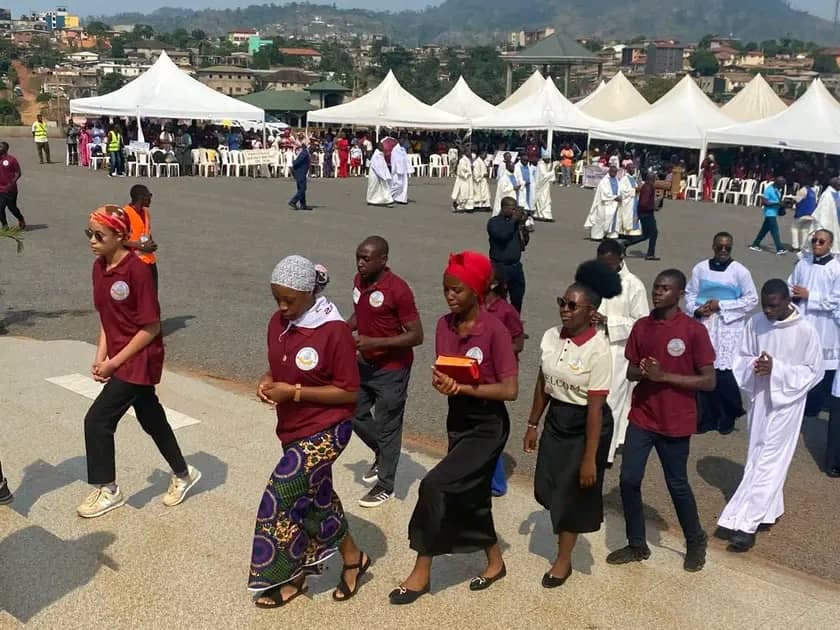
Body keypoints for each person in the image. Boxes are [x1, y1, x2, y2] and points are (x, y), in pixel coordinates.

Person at [389, 251, 517, 605]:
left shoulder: (495, 331)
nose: (450, 296)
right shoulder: (445, 325)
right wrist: (445, 384)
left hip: (488, 427)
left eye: (457, 290)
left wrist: (463, 388)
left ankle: (421, 569)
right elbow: (446, 370)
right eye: (446, 289)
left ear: (476, 291)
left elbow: (510, 390)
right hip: (457, 421)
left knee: (435, 485)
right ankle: (495, 561)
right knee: (472, 496)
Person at [250, 255, 371, 607]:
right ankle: (354, 557)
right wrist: (267, 380)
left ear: (310, 294)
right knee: (317, 499)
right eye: (277, 299)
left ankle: (290, 574)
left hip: (329, 428)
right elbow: (278, 367)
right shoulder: (278, 323)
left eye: (290, 300)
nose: (283, 307)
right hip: (292, 427)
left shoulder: (333, 331)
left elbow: (349, 391)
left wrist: (296, 393)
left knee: (283, 494)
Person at [78, 205, 200, 519]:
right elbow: (107, 317)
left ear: (119, 236)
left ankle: (108, 489)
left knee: (97, 420)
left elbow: (151, 327)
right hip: (119, 358)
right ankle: (184, 474)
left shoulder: (137, 271)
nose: (92, 240)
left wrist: (114, 363)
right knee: (151, 418)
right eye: (88, 233)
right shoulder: (99, 266)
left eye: (99, 234)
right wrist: (99, 357)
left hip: (139, 359)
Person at [606, 269, 715, 572]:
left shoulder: (693, 331)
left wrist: (663, 376)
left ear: (679, 293)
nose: (658, 292)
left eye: (665, 288)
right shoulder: (642, 326)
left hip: (676, 420)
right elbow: (629, 371)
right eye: (656, 287)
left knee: (676, 483)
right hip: (643, 416)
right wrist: (642, 372)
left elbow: (709, 381)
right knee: (628, 480)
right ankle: (637, 544)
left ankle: (695, 541)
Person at [525, 260, 621, 587]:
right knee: (546, 487)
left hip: (587, 424)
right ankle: (563, 526)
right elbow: (543, 380)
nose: (564, 310)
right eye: (561, 303)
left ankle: (563, 560)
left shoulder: (599, 350)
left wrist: (589, 460)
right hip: (557, 420)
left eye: (572, 305)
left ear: (589, 311)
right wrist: (533, 423)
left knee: (573, 494)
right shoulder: (551, 337)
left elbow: (595, 409)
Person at [717, 280, 822, 552]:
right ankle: (768, 511)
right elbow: (741, 356)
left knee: (769, 460)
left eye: (773, 306)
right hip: (761, 397)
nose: (768, 311)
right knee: (757, 454)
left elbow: (813, 371)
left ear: (788, 301)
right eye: (764, 305)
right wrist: (756, 365)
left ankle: (746, 524)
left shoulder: (806, 331)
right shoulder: (757, 323)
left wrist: (778, 369)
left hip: (788, 402)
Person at [349, 236, 423, 508]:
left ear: (383, 260)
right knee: (352, 410)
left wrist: (375, 342)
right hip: (364, 364)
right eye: (358, 256)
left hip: (392, 369)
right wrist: (345, 328)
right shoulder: (359, 281)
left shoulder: (398, 290)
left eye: (366, 259)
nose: (360, 263)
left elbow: (417, 335)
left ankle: (386, 484)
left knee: (388, 424)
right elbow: (361, 312)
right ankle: (383, 452)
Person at [686, 233, 757, 435]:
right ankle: (706, 416)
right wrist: (697, 310)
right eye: (720, 247)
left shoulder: (740, 272)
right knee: (704, 369)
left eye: (727, 248)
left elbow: (751, 299)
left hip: (728, 328)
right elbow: (690, 293)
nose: (723, 251)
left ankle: (730, 413)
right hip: (705, 325)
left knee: (725, 374)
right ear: (713, 247)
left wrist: (722, 305)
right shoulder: (700, 269)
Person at [592, 240, 649, 463]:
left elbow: (642, 323)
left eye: (608, 264)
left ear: (620, 259)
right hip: (591, 344)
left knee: (611, 400)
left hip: (617, 349)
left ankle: (605, 451)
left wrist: (609, 321)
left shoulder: (633, 285)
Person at [788, 229, 840, 416]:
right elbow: (790, 284)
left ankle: (815, 406)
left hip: (825, 325)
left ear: (830, 245)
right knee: (799, 362)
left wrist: (810, 296)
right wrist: (792, 295)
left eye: (822, 241)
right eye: (815, 240)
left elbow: (836, 300)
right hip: (802, 319)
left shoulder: (836, 269)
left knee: (822, 368)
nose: (817, 244)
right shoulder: (803, 263)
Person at [485, 269, 525, 497]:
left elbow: (519, 343)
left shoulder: (506, 311)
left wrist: (495, 349)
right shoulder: (476, 305)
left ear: (494, 284)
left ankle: (497, 483)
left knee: (490, 425)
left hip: (499, 376)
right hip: (479, 373)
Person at [487, 197, 527, 313]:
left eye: (516, 209)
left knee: (517, 299)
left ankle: (514, 326)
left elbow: (523, 243)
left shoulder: (515, 224)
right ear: (504, 208)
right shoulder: (494, 222)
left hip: (516, 267)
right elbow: (502, 237)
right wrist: (513, 221)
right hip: (499, 267)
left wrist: (522, 226)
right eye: (512, 209)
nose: (515, 212)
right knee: (499, 301)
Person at [123, 184, 159, 291]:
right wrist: (140, 245)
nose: (151, 199)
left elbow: (146, 230)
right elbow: (118, 240)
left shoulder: (146, 212)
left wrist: (151, 242)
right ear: (141, 198)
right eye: (149, 196)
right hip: (133, 262)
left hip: (150, 261)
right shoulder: (125, 214)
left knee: (152, 298)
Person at [622, 172, 659, 260]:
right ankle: (650, 254)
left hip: (644, 214)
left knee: (646, 235)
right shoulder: (648, 188)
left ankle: (626, 243)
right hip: (647, 214)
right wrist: (653, 207)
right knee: (653, 233)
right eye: (655, 178)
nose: (655, 180)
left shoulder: (645, 186)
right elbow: (643, 203)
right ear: (652, 179)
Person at [748, 176, 788, 255]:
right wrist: (776, 203)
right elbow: (764, 202)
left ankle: (755, 244)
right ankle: (779, 248)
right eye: (782, 184)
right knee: (775, 231)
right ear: (777, 183)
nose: (782, 186)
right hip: (770, 213)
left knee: (764, 230)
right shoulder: (769, 190)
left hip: (774, 212)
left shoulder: (777, 190)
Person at [584, 165, 622, 241]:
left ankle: (610, 234)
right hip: (604, 203)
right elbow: (605, 193)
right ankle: (596, 236)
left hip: (613, 203)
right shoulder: (604, 181)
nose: (614, 173)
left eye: (615, 172)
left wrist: (619, 196)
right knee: (600, 219)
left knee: (612, 219)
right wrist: (615, 197)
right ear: (609, 171)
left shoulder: (616, 180)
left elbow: (619, 189)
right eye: (613, 172)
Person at [609, 163, 641, 238]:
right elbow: (623, 191)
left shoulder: (633, 178)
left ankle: (634, 230)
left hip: (634, 200)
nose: (633, 170)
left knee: (635, 215)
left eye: (634, 168)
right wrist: (634, 190)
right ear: (627, 169)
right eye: (631, 168)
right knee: (628, 216)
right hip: (628, 202)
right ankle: (627, 230)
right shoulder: (624, 179)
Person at [0, 142, 25, 230]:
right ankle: (4, 225)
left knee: (12, 208)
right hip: (0, 189)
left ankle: (20, 218)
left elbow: (18, 173)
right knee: (0, 208)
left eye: (0, 147)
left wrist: (11, 183)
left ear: (6, 149)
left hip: (10, 189)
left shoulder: (11, 160)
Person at [811, 177, 840, 253]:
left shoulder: (836, 193)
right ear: (835, 184)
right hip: (828, 226)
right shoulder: (827, 195)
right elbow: (822, 214)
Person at [790, 183, 818, 252]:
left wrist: (791, 200)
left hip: (802, 213)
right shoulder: (813, 192)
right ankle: (803, 247)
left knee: (794, 228)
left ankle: (795, 246)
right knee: (805, 230)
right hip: (811, 214)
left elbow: (797, 200)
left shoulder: (803, 190)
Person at [288, 143, 311, 211]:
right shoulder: (304, 153)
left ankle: (303, 205)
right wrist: (294, 164)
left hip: (301, 173)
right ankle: (293, 201)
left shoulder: (304, 153)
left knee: (301, 189)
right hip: (300, 173)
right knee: (302, 189)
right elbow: (296, 162)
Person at [533, 150, 554, 222]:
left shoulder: (544, 164)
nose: (549, 160)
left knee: (546, 200)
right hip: (541, 187)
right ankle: (541, 214)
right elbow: (544, 176)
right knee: (542, 200)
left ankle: (547, 215)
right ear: (544, 158)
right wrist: (552, 171)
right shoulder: (541, 165)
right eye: (548, 159)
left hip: (545, 186)